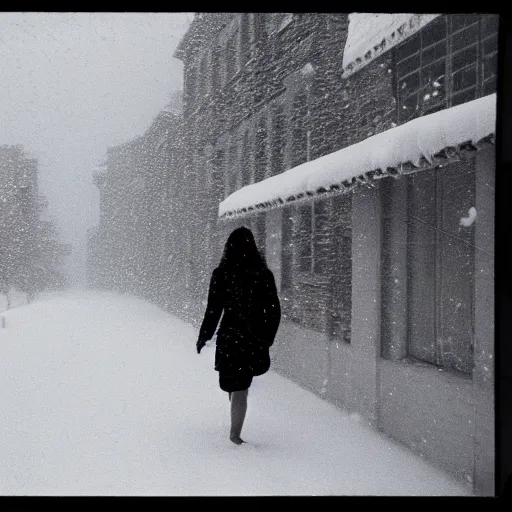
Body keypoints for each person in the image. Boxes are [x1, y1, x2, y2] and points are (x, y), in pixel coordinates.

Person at [196, 226, 281, 445]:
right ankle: (235, 430)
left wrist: (204, 335)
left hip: (230, 337)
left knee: (235, 384)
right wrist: (266, 338)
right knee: (241, 385)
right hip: (252, 338)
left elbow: (214, 309)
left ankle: (235, 431)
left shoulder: (222, 274)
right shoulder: (263, 275)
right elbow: (274, 311)